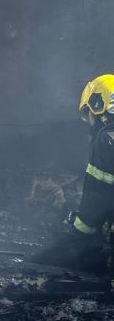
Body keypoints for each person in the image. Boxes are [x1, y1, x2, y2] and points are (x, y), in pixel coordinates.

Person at [70, 74, 114, 242]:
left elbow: (96, 198)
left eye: (87, 114)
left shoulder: (105, 139)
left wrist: (79, 235)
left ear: (98, 106)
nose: (89, 120)